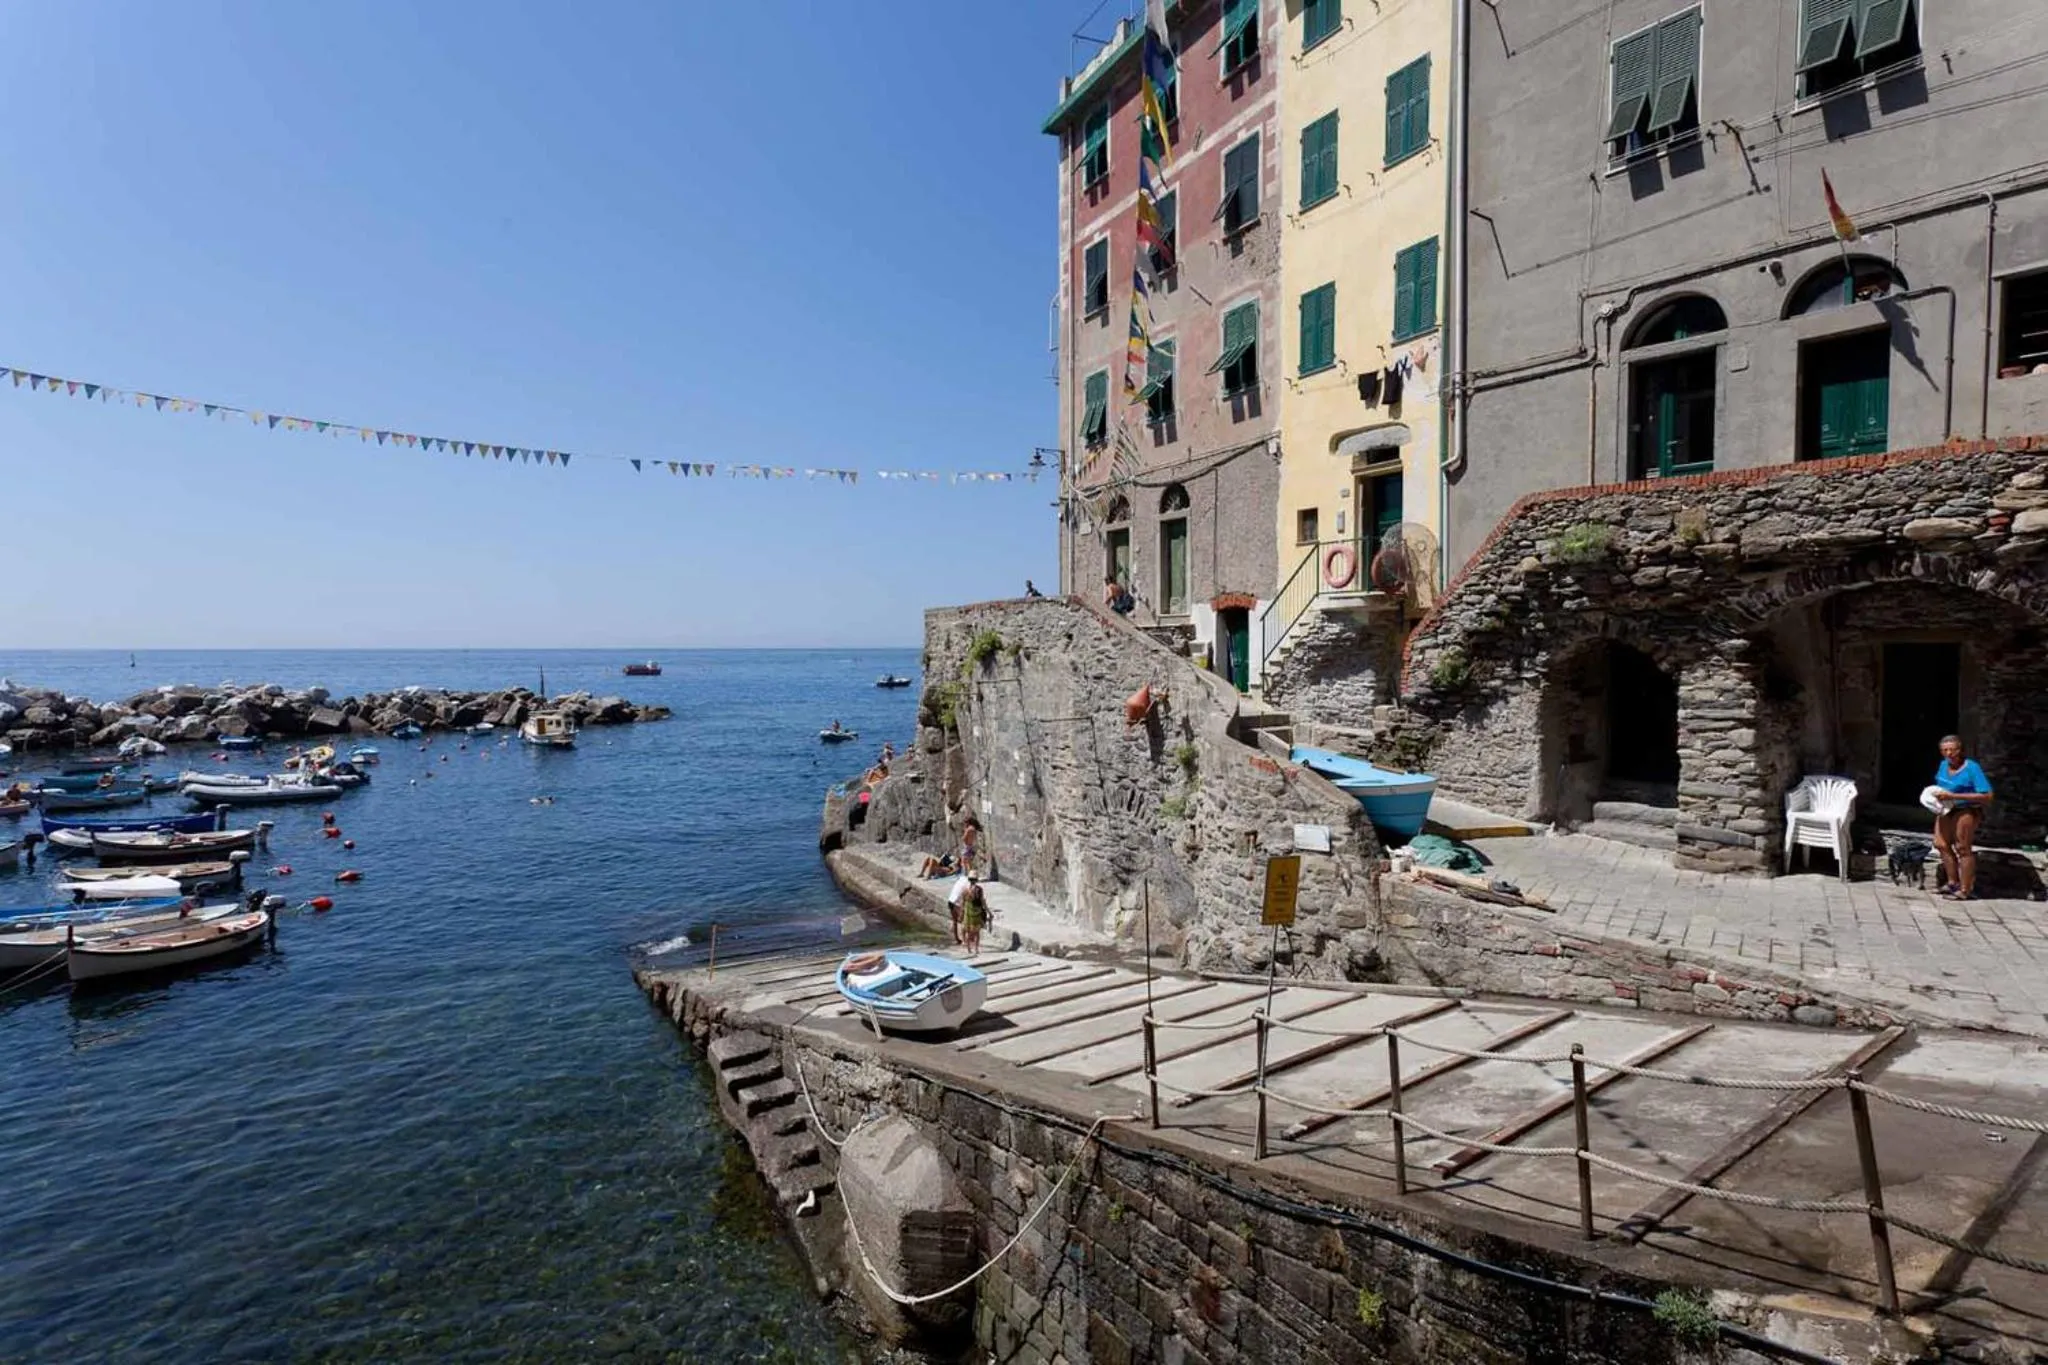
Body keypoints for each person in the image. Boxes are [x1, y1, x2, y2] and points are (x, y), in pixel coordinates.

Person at [1931, 735, 1994, 899]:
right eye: (1945, 750)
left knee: (1963, 848)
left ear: (1960, 750)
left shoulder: (1972, 768)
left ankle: (1965, 889)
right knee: (1940, 843)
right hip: (1946, 809)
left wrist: (1954, 796)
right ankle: (1952, 882)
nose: (1949, 753)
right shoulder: (1943, 765)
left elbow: (1987, 796)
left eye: (1953, 750)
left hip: (1966, 809)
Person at [947, 871, 979, 944]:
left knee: (955, 921)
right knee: (965, 921)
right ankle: (967, 940)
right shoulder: (969, 886)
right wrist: (962, 910)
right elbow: (965, 899)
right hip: (957, 903)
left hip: (951, 900)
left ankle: (957, 939)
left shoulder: (962, 878)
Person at [959, 881, 990, 956]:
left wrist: (961, 914)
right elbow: (983, 903)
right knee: (977, 933)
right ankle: (976, 949)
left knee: (968, 932)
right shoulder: (979, 889)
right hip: (977, 914)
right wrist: (989, 913)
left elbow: (962, 904)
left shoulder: (965, 890)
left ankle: (969, 949)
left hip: (968, 915)